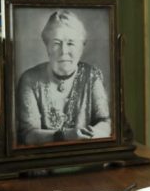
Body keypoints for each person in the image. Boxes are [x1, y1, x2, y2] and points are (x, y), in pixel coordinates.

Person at [16, 10, 111, 145]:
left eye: (71, 43)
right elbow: (28, 134)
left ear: (81, 48)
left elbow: (105, 121)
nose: (64, 51)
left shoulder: (92, 76)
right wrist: (64, 136)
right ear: (47, 46)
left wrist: (95, 134)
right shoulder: (30, 79)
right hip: (43, 161)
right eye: (56, 43)